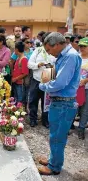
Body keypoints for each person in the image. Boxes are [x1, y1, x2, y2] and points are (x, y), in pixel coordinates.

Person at [38, 32, 81, 175]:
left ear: (56, 45)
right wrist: (47, 76)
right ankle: (53, 160)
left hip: (64, 103)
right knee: (54, 135)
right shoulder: (63, 56)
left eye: (49, 50)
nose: (50, 54)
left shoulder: (70, 56)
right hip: (60, 102)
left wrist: (43, 86)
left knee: (57, 137)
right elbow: (54, 74)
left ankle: (54, 167)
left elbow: (60, 82)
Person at [28, 32, 56, 128]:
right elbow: (29, 64)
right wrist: (38, 65)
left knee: (47, 102)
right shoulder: (38, 50)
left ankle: (45, 120)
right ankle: (33, 119)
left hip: (48, 80)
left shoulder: (55, 51)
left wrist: (52, 66)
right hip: (36, 80)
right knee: (33, 100)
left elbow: (58, 66)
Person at [77, 37, 88, 139]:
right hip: (75, 88)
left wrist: (85, 80)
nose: (82, 48)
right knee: (73, 107)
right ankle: (68, 127)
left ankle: (81, 129)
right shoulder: (77, 57)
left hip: (86, 88)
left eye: (84, 46)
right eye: (80, 46)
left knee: (85, 110)